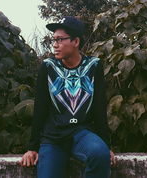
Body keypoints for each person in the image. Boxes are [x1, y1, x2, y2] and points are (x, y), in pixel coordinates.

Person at [20, 16, 115, 178]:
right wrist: (33, 147)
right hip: (53, 138)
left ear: (76, 42)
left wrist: (106, 146)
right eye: (54, 40)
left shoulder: (94, 66)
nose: (55, 45)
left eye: (60, 40)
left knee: (100, 154)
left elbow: (99, 107)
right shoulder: (48, 67)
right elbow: (40, 108)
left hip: (82, 133)